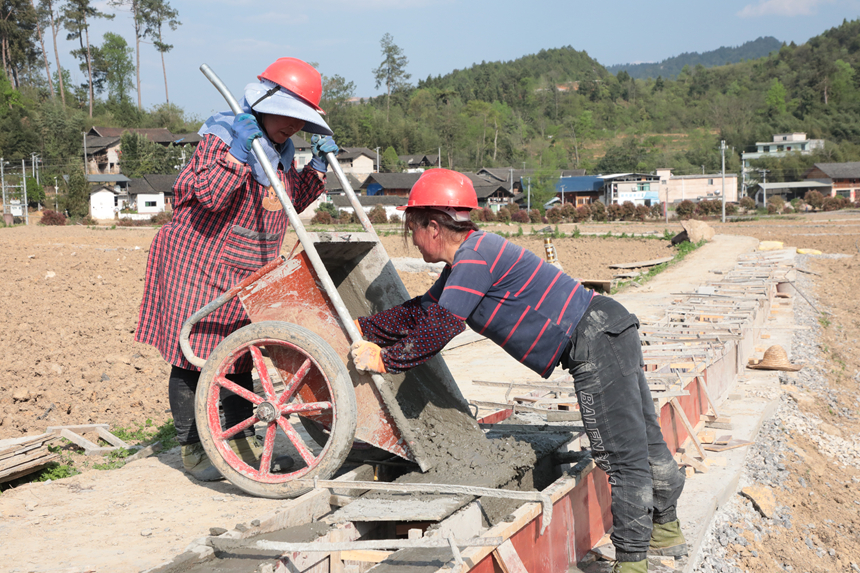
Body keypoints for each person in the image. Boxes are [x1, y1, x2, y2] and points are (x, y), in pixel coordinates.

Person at [349, 169, 686, 573]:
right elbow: (422, 311)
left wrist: (384, 360)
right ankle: (666, 529)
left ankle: (633, 563)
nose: (412, 237)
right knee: (644, 437)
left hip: (595, 339)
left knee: (620, 452)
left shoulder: (473, 261)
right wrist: (361, 329)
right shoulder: (473, 256)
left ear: (432, 226)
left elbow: (438, 329)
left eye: (412, 228)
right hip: (609, 326)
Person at [136, 57, 339, 481]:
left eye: (304, 123)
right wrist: (236, 153)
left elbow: (286, 205)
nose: (296, 129)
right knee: (194, 356)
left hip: (247, 270)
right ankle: (193, 445)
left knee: (241, 356)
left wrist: (317, 168)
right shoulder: (222, 136)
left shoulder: (281, 153)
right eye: (291, 118)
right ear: (265, 104)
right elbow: (207, 196)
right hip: (198, 262)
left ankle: (237, 437)